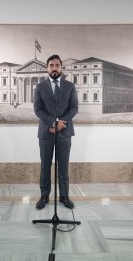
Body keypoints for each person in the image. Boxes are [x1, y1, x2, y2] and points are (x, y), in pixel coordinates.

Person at [33, 54, 78, 210]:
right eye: (51, 65)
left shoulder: (70, 86)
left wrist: (61, 123)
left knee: (63, 166)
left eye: (57, 65)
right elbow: (38, 109)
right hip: (46, 132)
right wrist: (53, 122)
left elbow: (74, 107)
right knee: (45, 166)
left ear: (61, 67)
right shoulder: (39, 87)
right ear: (47, 68)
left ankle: (64, 196)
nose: (54, 68)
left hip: (64, 132)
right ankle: (44, 196)